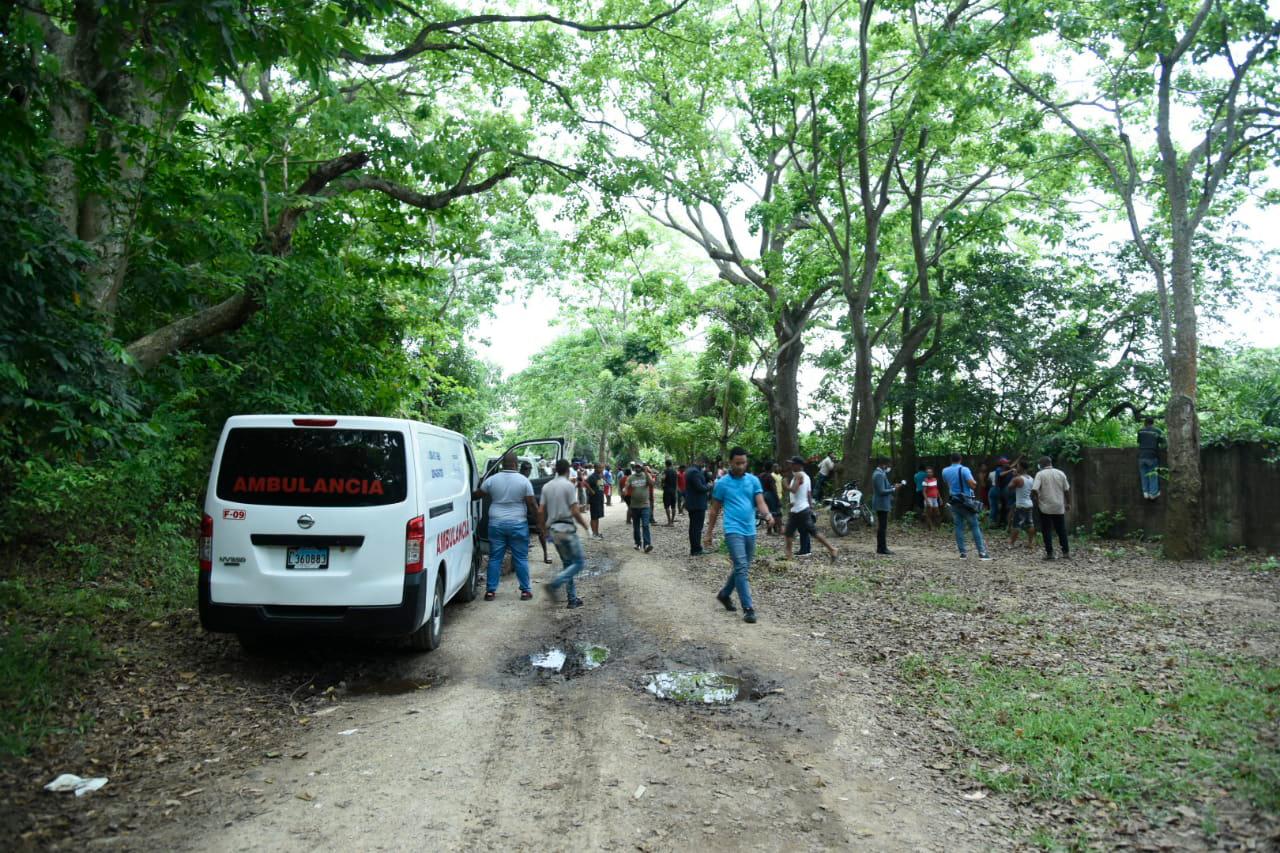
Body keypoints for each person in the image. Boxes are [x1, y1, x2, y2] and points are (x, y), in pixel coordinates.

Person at [704, 447, 772, 624]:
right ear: (730, 463)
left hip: (750, 529)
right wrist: (709, 533)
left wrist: (768, 515)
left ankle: (724, 594)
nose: (741, 466)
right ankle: (748, 608)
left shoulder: (753, 480)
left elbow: (760, 502)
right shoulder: (722, 483)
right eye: (737, 463)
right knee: (741, 566)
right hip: (732, 529)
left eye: (743, 462)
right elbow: (714, 510)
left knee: (743, 567)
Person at [474, 452, 541, 600]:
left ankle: (490, 591)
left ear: (502, 464)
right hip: (518, 524)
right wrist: (539, 524)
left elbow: (477, 495)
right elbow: (532, 504)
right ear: (516, 464)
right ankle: (525, 591)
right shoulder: (523, 481)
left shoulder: (492, 480)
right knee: (521, 558)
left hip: (496, 524)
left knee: (495, 558)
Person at [538, 459, 591, 609]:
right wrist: (586, 526)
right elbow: (574, 511)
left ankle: (572, 599)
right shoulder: (568, 486)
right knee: (579, 563)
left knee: (568, 564)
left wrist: (543, 529)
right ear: (568, 470)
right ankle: (554, 585)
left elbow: (541, 511)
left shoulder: (546, 486)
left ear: (556, 470)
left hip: (553, 531)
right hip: (567, 529)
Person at [784, 455, 838, 561]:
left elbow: (794, 490)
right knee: (802, 532)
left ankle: (832, 549)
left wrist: (785, 484)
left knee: (791, 533)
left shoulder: (799, 475)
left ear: (798, 465)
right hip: (801, 509)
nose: (791, 465)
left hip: (799, 511)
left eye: (793, 464)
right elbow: (808, 494)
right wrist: (809, 507)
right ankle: (789, 556)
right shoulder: (807, 477)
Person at [942, 453, 991, 561]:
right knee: (974, 526)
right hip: (965, 502)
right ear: (961, 459)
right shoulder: (964, 470)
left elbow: (948, 483)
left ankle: (963, 553)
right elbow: (972, 484)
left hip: (954, 500)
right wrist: (975, 482)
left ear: (951, 460)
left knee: (959, 527)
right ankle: (982, 553)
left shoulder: (945, 471)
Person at [1031, 456, 1071, 561]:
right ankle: (1066, 552)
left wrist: (1037, 498)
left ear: (1042, 464)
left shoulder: (1040, 474)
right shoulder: (1061, 473)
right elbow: (1066, 490)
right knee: (1061, 529)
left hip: (1045, 506)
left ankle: (1050, 554)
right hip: (1059, 506)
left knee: (1046, 530)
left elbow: (1034, 489)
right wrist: (1068, 503)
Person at [519, 460, 552, 566]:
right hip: (522, 511)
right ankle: (544, 554)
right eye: (526, 469)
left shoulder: (526, 481)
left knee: (541, 531)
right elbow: (531, 502)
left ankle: (545, 554)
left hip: (526, 510)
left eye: (528, 469)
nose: (527, 471)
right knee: (540, 530)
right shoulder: (521, 480)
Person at [871, 457, 903, 555]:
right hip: (881, 503)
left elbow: (886, 487)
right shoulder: (878, 475)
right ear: (882, 464)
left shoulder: (882, 473)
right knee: (882, 527)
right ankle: (882, 548)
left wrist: (894, 486)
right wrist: (893, 490)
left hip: (883, 502)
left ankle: (882, 547)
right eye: (887, 465)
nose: (888, 467)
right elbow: (881, 491)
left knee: (883, 526)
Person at [1007, 459, 1036, 549]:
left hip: (1021, 505)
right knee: (1030, 524)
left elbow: (1009, 487)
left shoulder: (1018, 479)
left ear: (1021, 467)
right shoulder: (1031, 478)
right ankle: (1030, 543)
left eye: (1018, 466)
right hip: (1029, 504)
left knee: (1016, 525)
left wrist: (1014, 476)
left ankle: (1011, 544)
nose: (1016, 467)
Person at [625, 463, 654, 552]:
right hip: (634, 506)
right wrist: (624, 490)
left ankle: (647, 545)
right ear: (634, 468)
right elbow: (626, 485)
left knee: (645, 525)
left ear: (641, 468)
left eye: (639, 467)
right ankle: (637, 543)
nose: (637, 468)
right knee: (636, 526)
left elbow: (651, 484)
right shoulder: (631, 477)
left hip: (645, 505)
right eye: (636, 467)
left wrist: (646, 472)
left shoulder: (646, 475)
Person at [685, 457, 710, 555]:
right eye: (704, 463)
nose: (704, 465)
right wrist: (709, 486)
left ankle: (695, 548)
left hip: (693, 503)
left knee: (694, 527)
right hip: (697, 504)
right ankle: (696, 549)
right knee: (696, 527)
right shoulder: (694, 472)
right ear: (700, 462)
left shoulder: (691, 471)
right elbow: (700, 487)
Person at [1138, 417, 1164, 500]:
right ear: (1153, 423)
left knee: (1143, 475)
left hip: (1141, 456)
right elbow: (1163, 442)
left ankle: (1145, 492)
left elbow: (1139, 442)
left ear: (1145, 423)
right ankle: (1153, 493)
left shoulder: (1140, 431)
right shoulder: (1157, 431)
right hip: (1152, 456)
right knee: (1152, 475)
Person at [759, 462, 781, 534]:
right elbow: (773, 488)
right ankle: (772, 529)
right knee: (774, 512)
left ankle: (771, 529)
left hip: (762, 494)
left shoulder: (760, 475)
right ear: (771, 468)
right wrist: (777, 499)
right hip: (770, 495)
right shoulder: (770, 477)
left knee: (768, 512)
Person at [586, 462, 606, 540]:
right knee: (594, 517)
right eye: (600, 468)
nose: (602, 469)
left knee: (597, 516)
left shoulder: (599, 476)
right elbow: (585, 483)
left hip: (599, 499)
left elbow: (601, 486)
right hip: (594, 500)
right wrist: (591, 491)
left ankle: (597, 533)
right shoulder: (592, 476)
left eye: (602, 468)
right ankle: (594, 534)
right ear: (596, 468)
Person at [662, 459, 679, 525]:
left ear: (665, 464)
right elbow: (676, 481)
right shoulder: (675, 472)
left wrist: (663, 482)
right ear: (671, 464)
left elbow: (663, 478)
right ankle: (672, 521)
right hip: (673, 490)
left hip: (667, 490)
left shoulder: (665, 471)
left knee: (666, 506)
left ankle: (669, 521)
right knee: (673, 506)